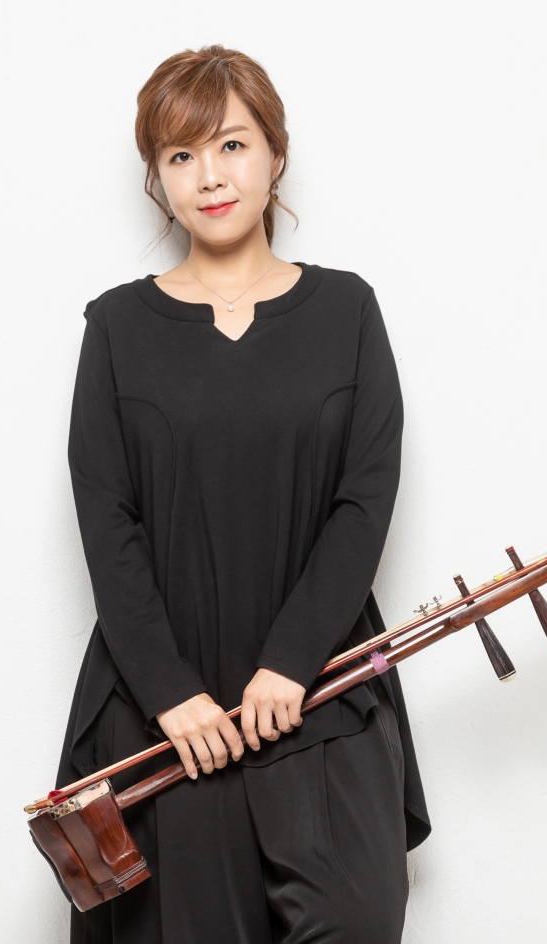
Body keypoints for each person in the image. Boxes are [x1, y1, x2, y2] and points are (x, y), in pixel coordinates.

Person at [54, 45, 430, 944]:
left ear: (275, 153)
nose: (210, 176)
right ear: (157, 177)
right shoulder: (116, 326)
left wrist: (294, 660)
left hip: (319, 692)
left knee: (356, 917)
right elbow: (106, 519)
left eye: (231, 145)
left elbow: (364, 499)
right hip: (166, 719)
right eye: (181, 155)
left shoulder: (347, 311)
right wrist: (171, 693)